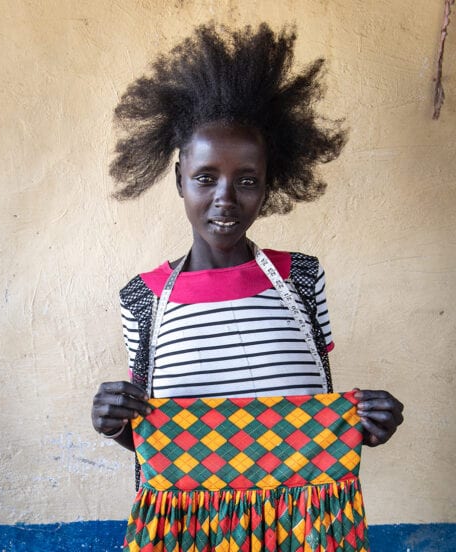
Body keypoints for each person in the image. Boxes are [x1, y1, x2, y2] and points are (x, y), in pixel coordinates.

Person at [91, 22, 404, 550]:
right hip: (190, 531)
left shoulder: (301, 279)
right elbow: (159, 439)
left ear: (270, 183)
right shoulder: (143, 299)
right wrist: (117, 423)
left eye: (248, 179)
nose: (226, 199)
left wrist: (369, 425)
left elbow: (313, 417)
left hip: (302, 526)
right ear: (178, 179)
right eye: (206, 177)